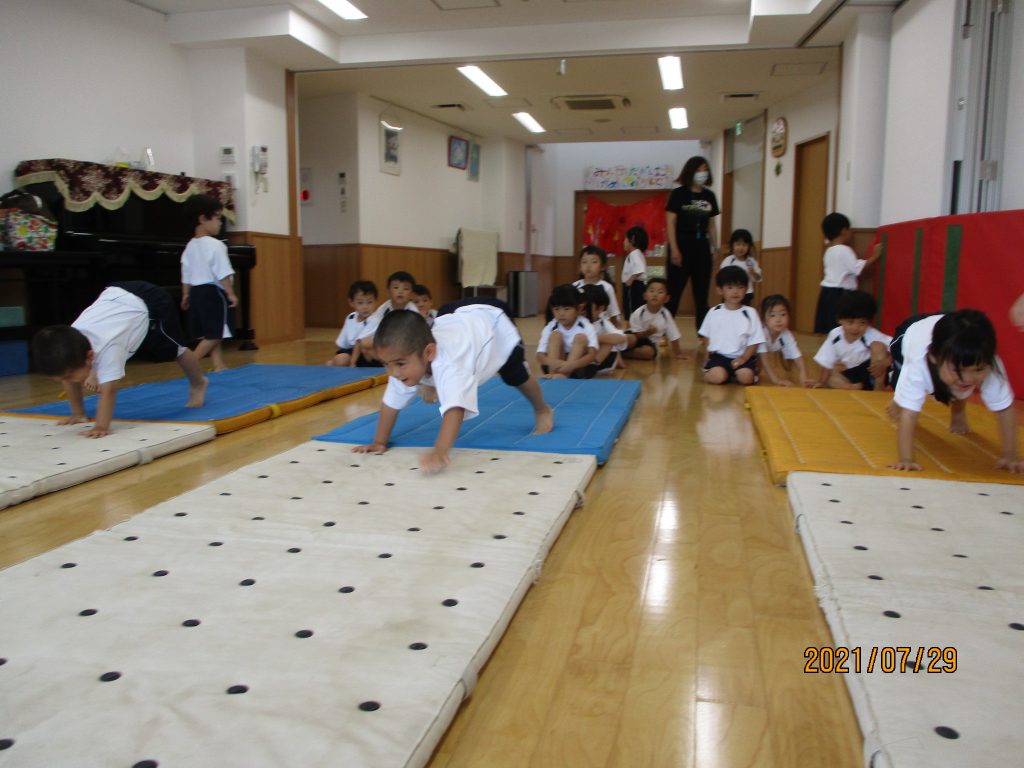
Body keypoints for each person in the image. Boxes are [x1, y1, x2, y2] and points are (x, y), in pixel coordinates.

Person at [352, 303, 554, 473]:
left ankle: (542, 409)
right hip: (455, 319)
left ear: (429, 353)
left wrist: (440, 451)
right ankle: (430, 382)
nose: (393, 373)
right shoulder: (403, 363)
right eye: (386, 364)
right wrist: (379, 442)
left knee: (516, 377)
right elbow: (390, 403)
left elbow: (455, 410)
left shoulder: (451, 365)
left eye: (399, 364)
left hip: (494, 325)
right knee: (413, 376)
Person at [31, 281, 208, 438]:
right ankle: (86, 383)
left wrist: (101, 426)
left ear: (89, 357)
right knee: (73, 371)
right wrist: (78, 413)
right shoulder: (70, 340)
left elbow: (109, 391)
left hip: (151, 300)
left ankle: (198, 383)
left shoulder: (110, 349)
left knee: (175, 349)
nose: (67, 382)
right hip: (117, 297)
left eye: (68, 377)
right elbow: (70, 376)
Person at [886, 309, 1022, 474]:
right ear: (934, 358)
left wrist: (1010, 455)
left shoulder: (989, 364)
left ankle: (958, 412)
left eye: (978, 370)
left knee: (956, 385)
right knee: (904, 389)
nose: (968, 379)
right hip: (911, 333)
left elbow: (1005, 408)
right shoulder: (918, 365)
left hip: (950, 331)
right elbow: (909, 415)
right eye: (958, 370)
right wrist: (906, 459)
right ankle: (899, 398)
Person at [179, 194, 238, 372]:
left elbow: (186, 273)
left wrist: (186, 294)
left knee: (212, 330)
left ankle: (218, 364)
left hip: (196, 293)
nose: (220, 223)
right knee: (215, 333)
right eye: (218, 218)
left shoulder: (189, 246)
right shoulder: (216, 245)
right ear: (203, 219)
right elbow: (223, 273)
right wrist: (230, 293)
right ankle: (191, 362)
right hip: (212, 293)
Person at [665, 156, 719, 326]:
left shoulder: (709, 196)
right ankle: (666, 331)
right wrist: (674, 248)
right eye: (699, 169)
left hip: (702, 246)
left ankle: (702, 334)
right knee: (673, 292)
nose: (702, 173)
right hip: (681, 243)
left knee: (702, 295)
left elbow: (711, 225)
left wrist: (715, 248)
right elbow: (671, 222)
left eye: (705, 169)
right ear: (690, 171)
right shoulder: (678, 194)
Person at [813, 212, 882, 334]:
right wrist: (874, 257)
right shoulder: (844, 250)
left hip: (827, 293)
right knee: (840, 326)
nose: (851, 232)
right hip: (840, 294)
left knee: (830, 327)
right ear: (844, 230)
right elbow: (856, 268)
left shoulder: (829, 251)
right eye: (849, 229)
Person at [698, 266, 765, 385]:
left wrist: (744, 358)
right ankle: (717, 372)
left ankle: (743, 373)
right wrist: (707, 358)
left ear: (746, 290)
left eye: (740, 287)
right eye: (730, 287)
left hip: (742, 356)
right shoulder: (714, 312)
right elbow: (706, 337)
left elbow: (755, 341)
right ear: (720, 290)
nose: (735, 292)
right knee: (718, 377)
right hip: (719, 357)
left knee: (746, 378)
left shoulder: (750, 313)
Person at [813, 290, 891, 390]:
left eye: (862, 323)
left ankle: (878, 390)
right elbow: (827, 362)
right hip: (853, 375)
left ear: (869, 322)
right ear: (839, 320)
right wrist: (821, 383)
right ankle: (851, 387)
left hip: (872, 372)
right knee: (830, 376)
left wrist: (884, 363)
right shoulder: (835, 335)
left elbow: (896, 349)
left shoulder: (872, 334)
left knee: (878, 346)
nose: (856, 328)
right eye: (850, 322)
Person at [355, 270, 418, 364]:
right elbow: (373, 325)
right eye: (396, 287)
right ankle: (387, 364)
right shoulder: (384, 308)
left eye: (405, 289)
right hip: (385, 342)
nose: (400, 291)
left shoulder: (413, 311)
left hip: (404, 345)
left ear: (412, 294)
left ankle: (392, 364)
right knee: (365, 344)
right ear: (388, 290)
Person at [536, 284, 599, 378]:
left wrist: (573, 364)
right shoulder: (551, 326)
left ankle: (563, 376)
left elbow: (592, 354)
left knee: (580, 338)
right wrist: (551, 362)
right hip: (555, 367)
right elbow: (540, 355)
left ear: (579, 309)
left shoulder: (586, 326)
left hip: (580, 368)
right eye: (557, 309)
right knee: (555, 336)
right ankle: (554, 374)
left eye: (567, 309)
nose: (561, 314)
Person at [757, 294, 815, 387]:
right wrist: (776, 380)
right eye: (772, 315)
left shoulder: (786, 334)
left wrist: (804, 376)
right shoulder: (761, 333)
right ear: (763, 319)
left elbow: (797, 356)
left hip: (764, 353)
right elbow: (764, 359)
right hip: (746, 353)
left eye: (783, 314)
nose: (778, 319)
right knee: (754, 370)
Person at [623, 277, 686, 360]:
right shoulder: (639, 313)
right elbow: (636, 335)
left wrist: (678, 353)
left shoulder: (666, 315)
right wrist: (647, 332)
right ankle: (618, 349)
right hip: (636, 337)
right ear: (645, 296)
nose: (655, 295)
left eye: (660, 292)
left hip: (650, 344)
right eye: (651, 291)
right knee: (629, 339)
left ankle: (623, 354)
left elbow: (674, 336)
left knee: (649, 353)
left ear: (666, 298)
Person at [326, 280, 379, 367]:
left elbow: (359, 342)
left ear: (376, 302)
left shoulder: (374, 319)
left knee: (342, 360)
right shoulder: (351, 317)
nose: (365, 307)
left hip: (366, 353)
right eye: (360, 303)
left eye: (369, 302)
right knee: (336, 361)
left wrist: (352, 362)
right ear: (352, 303)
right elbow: (343, 343)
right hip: (351, 350)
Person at [580, 283, 627, 374]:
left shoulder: (602, 323)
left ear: (600, 309)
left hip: (602, 361)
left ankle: (592, 366)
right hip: (581, 358)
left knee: (609, 341)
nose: (582, 311)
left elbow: (621, 338)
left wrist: (595, 339)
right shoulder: (576, 322)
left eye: (587, 307)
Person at [573, 244, 623, 327]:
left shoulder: (607, 287)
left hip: (601, 328)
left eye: (594, 262)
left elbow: (613, 314)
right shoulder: (575, 286)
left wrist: (617, 330)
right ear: (580, 267)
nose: (588, 266)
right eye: (584, 262)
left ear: (603, 266)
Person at [718, 228, 762, 306]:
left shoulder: (751, 261)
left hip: (746, 293)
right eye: (738, 244)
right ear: (732, 245)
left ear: (749, 246)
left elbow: (758, 278)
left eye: (744, 245)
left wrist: (753, 273)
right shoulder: (728, 260)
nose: (741, 248)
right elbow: (721, 277)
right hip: (729, 293)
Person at [619, 227, 648, 321]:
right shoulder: (637, 254)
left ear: (632, 239)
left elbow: (639, 269)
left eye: (625, 239)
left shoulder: (635, 254)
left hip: (634, 286)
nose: (624, 242)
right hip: (635, 285)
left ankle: (632, 329)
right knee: (634, 309)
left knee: (632, 310)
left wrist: (630, 280)